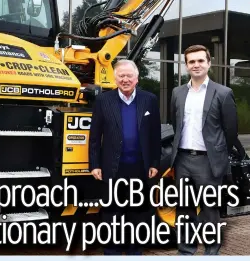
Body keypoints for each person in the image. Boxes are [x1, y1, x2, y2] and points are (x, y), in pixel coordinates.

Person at [170, 45, 238, 255]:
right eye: (191, 61)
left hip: (208, 162)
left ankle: (211, 252)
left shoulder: (223, 93)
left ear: (208, 63)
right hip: (182, 159)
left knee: (209, 210)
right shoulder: (177, 92)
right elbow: (175, 124)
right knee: (184, 209)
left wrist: (217, 155)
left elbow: (230, 131)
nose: (196, 65)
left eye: (200, 60)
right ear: (186, 65)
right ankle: (186, 251)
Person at [89, 59, 162, 255]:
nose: (125, 79)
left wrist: (155, 162)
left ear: (137, 78)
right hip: (113, 170)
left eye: (129, 75)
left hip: (140, 170)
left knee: (137, 218)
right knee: (112, 218)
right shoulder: (104, 101)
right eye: (121, 75)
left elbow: (155, 135)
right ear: (115, 78)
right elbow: (95, 136)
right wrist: (94, 164)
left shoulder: (150, 100)